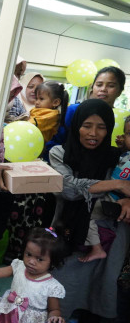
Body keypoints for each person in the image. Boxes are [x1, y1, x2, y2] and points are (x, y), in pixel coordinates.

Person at [48, 99, 130, 320]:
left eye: (102, 127)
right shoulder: (60, 153)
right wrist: (118, 185)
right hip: (69, 234)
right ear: (76, 126)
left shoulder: (117, 157)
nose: (93, 133)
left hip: (110, 236)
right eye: (87, 125)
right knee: (62, 293)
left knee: (99, 293)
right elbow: (70, 189)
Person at [0, 227, 67, 323]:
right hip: (9, 316)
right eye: (28, 254)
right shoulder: (18, 266)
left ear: (52, 262)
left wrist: (54, 317)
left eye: (39, 259)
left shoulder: (52, 286)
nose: (31, 261)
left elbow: (54, 310)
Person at [47, 66, 126, 150]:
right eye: (99, 85)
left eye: (111, 86)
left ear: (120, 91)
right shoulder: (73, 110)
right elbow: (53, 143)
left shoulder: (116, 117)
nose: (103, 89)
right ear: (92, 87)